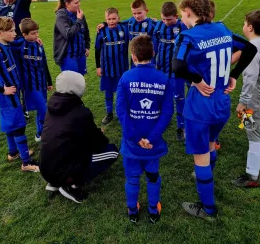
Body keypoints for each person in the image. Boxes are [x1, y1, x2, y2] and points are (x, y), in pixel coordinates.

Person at [172, 0, 257, 222]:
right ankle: (207, 174)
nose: (182, 17)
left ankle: (208, 209)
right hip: (221, 103)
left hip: (200, 107)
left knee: (200, 157)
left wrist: (197, 81)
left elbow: (177, 66)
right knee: (210, 144)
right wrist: (234, 76)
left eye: (182, 13)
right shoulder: (222, 30)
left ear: (188, 11)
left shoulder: (188, 36)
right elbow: (249, 49)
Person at [116, 35, 174, 224]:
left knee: (132, 178)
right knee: (152, 177)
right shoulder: (164, 79)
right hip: (152, 144)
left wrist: (134, 137)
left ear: (133, 56)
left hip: (133, 144)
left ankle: (133, 211)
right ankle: (152, 211)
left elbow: (121, 111)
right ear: (154, 54)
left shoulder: (126, 78)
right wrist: (152, 138)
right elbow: (167, 113)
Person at [39, 71, 119, 203]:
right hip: (63, 170)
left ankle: (55, 181)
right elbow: (99, 143)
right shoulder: (81, 112)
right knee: (112, 151)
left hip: (45, 168)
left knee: (71, 147)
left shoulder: (51, 108)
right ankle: (72, 184)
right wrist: (98, 133)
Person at [0, 17, 39, 172]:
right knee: (19, 126)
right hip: (9, 96)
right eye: (12, 31)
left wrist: (36, 38)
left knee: (10, 125)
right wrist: (3, 90)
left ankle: (13, 152)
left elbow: (23, 39)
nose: (15, 33)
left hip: (13, 93)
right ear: (1, 33)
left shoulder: (8, 43)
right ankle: (26, 163)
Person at [232, 10, 260, 188]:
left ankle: (252, 175)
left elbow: (250, 77)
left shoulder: (253, 48)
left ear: (250, 27)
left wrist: (243, 102)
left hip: (256, 98)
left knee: (254, 132)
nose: (243, 27)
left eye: (244, 24)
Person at [11, 18, 53, 142]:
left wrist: (49, 81)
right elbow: (2, 41)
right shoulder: (19, 44)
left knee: (42, 109)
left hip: (42, 83)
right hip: (30, 86)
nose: (37, 35)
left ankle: (40, 133)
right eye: (33, 33)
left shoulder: (39, 45)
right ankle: (47, 134)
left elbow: (44, 63)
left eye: (37, 32)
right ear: (24, 35)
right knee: (44, 110)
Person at [153, 2, 187, 142]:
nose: (166, 22)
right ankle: (163, 121)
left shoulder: (183, 26)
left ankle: (181, 126)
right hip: (161, 70)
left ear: (176, 16)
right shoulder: (158, 26)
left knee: (179, 98)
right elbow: (154, 46)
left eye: (169, 19)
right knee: (161, 98)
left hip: (177, 72)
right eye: (163, 19)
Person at [95, 7, 129, 125]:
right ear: (105, 19)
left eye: (114, 18)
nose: (111, 21)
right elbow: (97, 50)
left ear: (118, 18)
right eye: (108, 19)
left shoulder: (124, 29)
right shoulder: (102, 31)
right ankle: (109, 113)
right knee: (108, 91)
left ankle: (122, 112)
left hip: (122, 67)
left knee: (122, 91)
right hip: (107, 67)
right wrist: (98, 66)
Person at [53, 0, 90, 75]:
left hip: (81, 54)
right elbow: (68, 34)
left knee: (80, 82)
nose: (79, 4)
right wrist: (79, 20)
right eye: (76, 3)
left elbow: (86, 32)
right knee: (71, 83)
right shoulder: (61, 16)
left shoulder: (79, 14)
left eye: (79, 2)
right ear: (67, 4)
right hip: (68, 56)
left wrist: (87, 46)